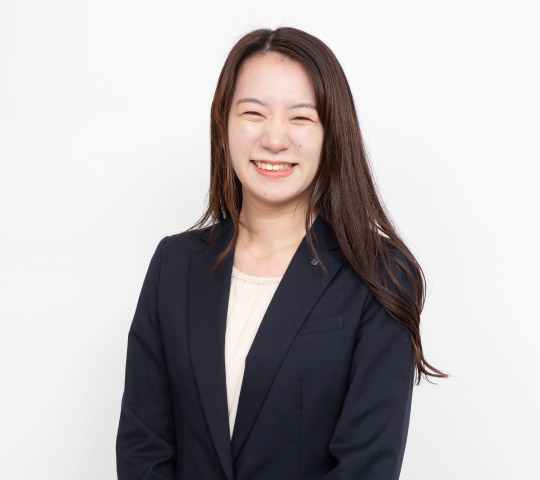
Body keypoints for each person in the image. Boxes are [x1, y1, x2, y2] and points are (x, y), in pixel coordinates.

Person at [115, 26, 447, 480]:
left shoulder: (380, 275)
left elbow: (365, 467)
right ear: (224, 125)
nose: (275, 139)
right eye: (253, 113)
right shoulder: (174, 265)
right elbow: (143, 448)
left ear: (332, 133)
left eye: (301, 118)